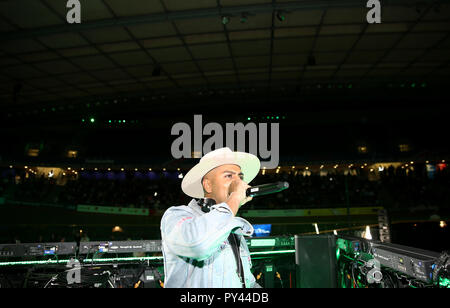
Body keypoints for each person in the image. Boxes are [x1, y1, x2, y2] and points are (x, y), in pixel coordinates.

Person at [160, 147, 261, 288]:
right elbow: (198, 245)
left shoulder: (233, 229)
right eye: (229, 176)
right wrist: (235, 197)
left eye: (240, 177)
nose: (238, 183)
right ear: (208, 185)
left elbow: (247, 282)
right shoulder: (176, 216)